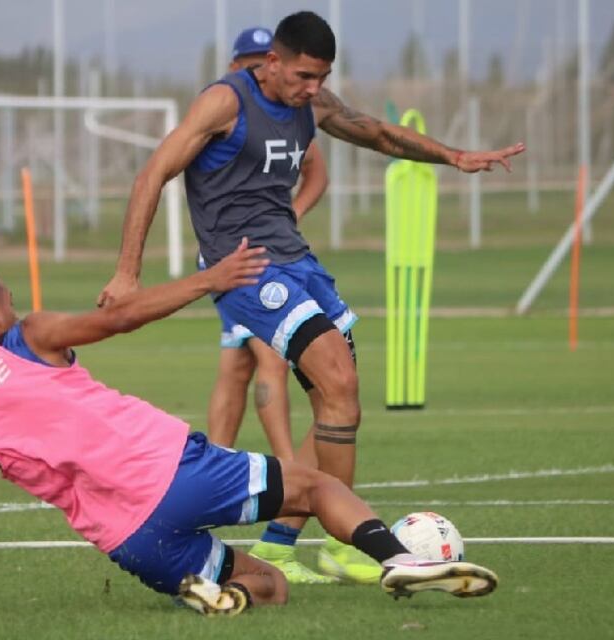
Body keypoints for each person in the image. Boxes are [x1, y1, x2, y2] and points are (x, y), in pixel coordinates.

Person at [97, 11, 524, 585]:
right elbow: (151, 175)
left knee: (340, 401)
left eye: (322, 77)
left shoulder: (313, 103)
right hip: (246, 267)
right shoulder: (224, 103)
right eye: (304, 75)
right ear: (272, 62)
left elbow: (376, 132)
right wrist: (127, 273)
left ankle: (306, 544)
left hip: (298, 261)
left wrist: (453, 156)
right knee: (335, 381)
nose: (314, 88)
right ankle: (357, 543)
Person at [0, 241, 498, 617]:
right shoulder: (29, 336)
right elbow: (119, 318)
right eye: (10, 304)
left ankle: (222, 597)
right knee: (317, 486)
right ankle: (400, 559)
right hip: (173, 470)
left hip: (128, 538)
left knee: (271, 586)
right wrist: (209, 280)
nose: (17, 311)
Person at [204, 26, 334, 586]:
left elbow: (316, 169)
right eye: (252, 59)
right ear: (244, 63)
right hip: (244, 265)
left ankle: (215, 474)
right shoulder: (228, 105)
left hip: (265, 257)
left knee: (244, 363)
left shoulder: (288, 110)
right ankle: (287, 476)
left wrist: (290, 215)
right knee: (258, 364)